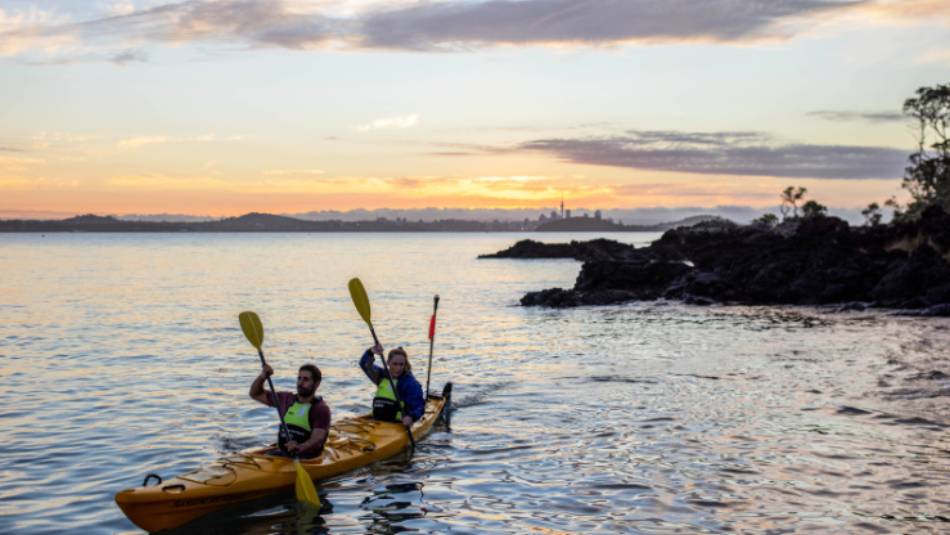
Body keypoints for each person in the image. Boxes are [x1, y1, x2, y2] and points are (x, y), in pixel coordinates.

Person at [250, 363, 331, 458]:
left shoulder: (321, 409)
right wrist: (262, 377)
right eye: (299, 378)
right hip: (282, 454)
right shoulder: (285, 399)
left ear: (317, 384)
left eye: (305, 379)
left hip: (306, 458)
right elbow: (255, 394)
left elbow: (317, 439)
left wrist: (299, 447)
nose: (300, 383)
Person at [359, 344, 425, 428]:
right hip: (378, 422)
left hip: (398, 425)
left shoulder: (410, 384)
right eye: (395, 364)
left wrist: (411, 417)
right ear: (388, 363)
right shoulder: (381, 375)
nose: (398, 368)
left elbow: (419, 406)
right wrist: (371, 351)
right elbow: (364, 364)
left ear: (405, 365)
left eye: (401, 364)